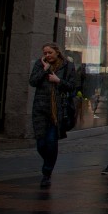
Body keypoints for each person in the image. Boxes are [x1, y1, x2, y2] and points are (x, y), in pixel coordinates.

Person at [28, 42, 78, 188]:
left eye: (50, 52)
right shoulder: (40, 64)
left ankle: (47, 173)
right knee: (41, 144)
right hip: (40, 109)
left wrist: (58, 81)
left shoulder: (68, 66)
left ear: (57, 52)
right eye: (45, 53)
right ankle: (48, 162)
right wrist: (45, 70)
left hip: (58, 111)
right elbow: (32, 81)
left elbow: (72, 86)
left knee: (51, 142)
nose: (47, 55)